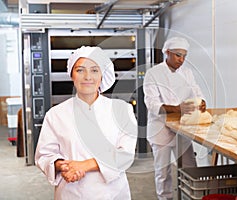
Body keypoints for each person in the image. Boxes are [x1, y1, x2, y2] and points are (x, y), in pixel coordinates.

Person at [35, 46, 137, 200]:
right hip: (71, 192)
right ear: (72, 75)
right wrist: (61, 165)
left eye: (95, 70)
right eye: (80, 70)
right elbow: (44, 154)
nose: (87, 76)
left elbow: (125, 155)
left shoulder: (122, 110)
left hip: (112, 192)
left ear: (102, 75)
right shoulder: (56, 114)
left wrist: (84, 165)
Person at [143, 37, 206, 200]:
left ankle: (191, 197)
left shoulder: (187, 73)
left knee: (190, 168)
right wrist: (177, 109)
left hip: (182, 128)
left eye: (184, 56)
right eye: (178, 55)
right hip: (160, 129)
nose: (182, 60)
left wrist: (202, 101)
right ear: (168, 53)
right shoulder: (153, 73)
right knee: (163, 173)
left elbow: (196, 91)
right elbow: (151, 103)